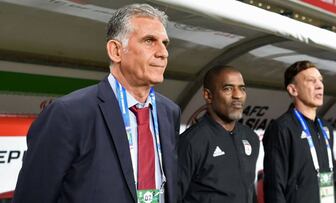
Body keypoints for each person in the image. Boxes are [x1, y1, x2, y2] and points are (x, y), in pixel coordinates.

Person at [13, 4, 180, 203]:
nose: (163, 53)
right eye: (149, 41)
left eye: (165, 43)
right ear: (116, 50)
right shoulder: (68, 114)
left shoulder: (169, 112)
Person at [177, 65, 260, 203]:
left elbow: (250, 191)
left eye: (242, 88)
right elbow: (174, 195)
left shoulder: (250, 137)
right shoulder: (191, 141)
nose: (238, 95)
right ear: (208, 96)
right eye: (228, 88)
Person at [263, 60, 335, 203]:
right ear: (293, 90)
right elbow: (274, 187)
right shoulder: (281, 128)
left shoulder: (326, 127)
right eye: (311, 81)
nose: (320, 86)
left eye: (320, 81)